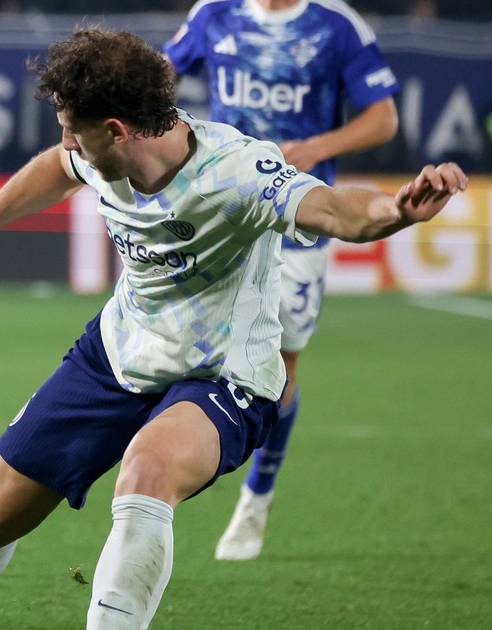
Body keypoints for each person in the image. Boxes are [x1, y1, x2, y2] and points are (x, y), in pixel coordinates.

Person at [0, 26, 464, 630]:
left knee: (147, 472)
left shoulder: (237, 171)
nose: (66, 142)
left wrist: (396, 210)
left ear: (116, 129)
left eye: (72, 130)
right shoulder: (98, 152)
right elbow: (60, 167)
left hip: (224, 375)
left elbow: (333, 209)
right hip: (120, 352)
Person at [163, 0, 400, 560]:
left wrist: (318, 146)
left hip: (299, 218)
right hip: (218, 211)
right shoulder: (214, 12)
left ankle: (257, 496)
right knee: (177, 344)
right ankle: (162, 464)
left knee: (281, 362)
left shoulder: (336, 24)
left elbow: (383, 118)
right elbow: (158, 79)